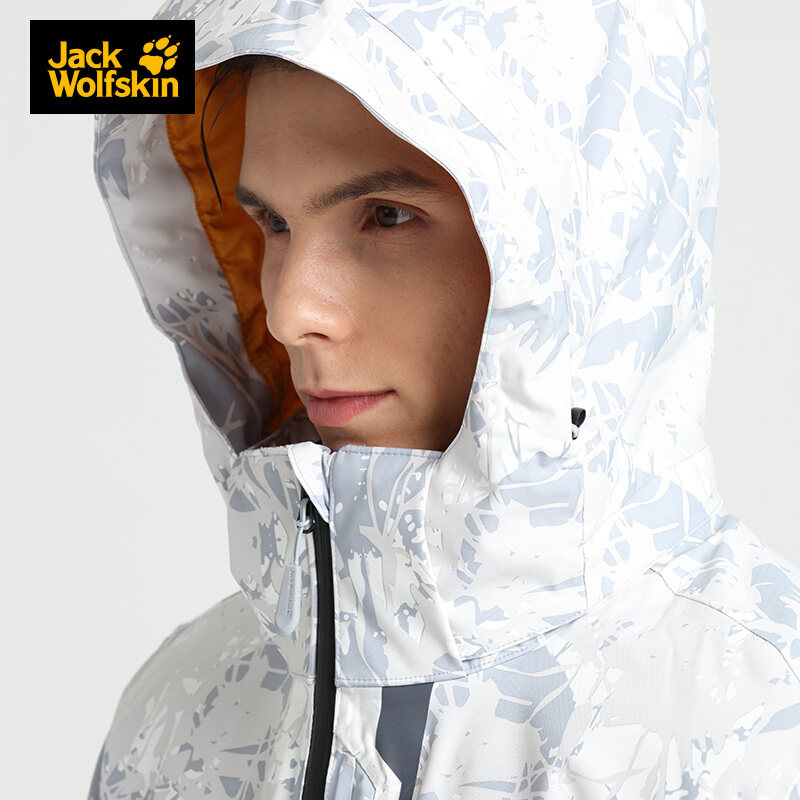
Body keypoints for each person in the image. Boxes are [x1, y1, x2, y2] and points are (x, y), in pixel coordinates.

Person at [88, 1, 800, 798]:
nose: (289, 314)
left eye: (387, 217)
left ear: (590, 247)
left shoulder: (761, 732)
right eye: (273, 223)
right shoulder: (176, 721)